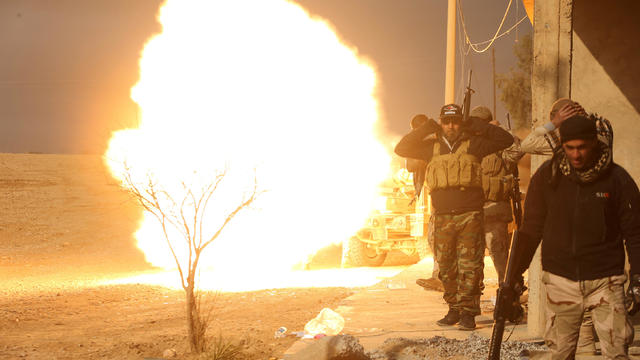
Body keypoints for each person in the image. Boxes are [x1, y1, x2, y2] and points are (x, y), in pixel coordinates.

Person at [507, 114, 640, 359]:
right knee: (560, 353)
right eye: (570, 148)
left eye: (582, 148)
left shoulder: (616, 179)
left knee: (617, 352)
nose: (576, 155)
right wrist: (512, 279)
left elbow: (635, 233)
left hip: (606, 281)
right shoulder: (547, 178)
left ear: (593, 143)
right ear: (562, 146)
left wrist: (638, 277)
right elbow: (531, 231)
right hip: (561, 281)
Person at [395, 103, 513, 330]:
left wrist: (476, 124)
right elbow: (402, 148)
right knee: (446, 266)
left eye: (456, 121)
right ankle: (454, 308)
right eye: (446, 121)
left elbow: (505, 140)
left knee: (470, 265)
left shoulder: (474, 145)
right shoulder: (431, 147)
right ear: (441, 122)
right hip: (443, 216)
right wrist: (427, 126)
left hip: (470, 215)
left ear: (461, 123)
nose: (451, 126)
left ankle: (468, 312)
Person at [471, 106, 522, 283]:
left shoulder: (500, 144)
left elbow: (517, 151)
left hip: (495, 211)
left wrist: (500, 131)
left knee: (500, 256)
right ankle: (471, 297)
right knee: (471, 260)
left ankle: (506, 290)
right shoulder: (470, 144)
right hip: (472, 211)